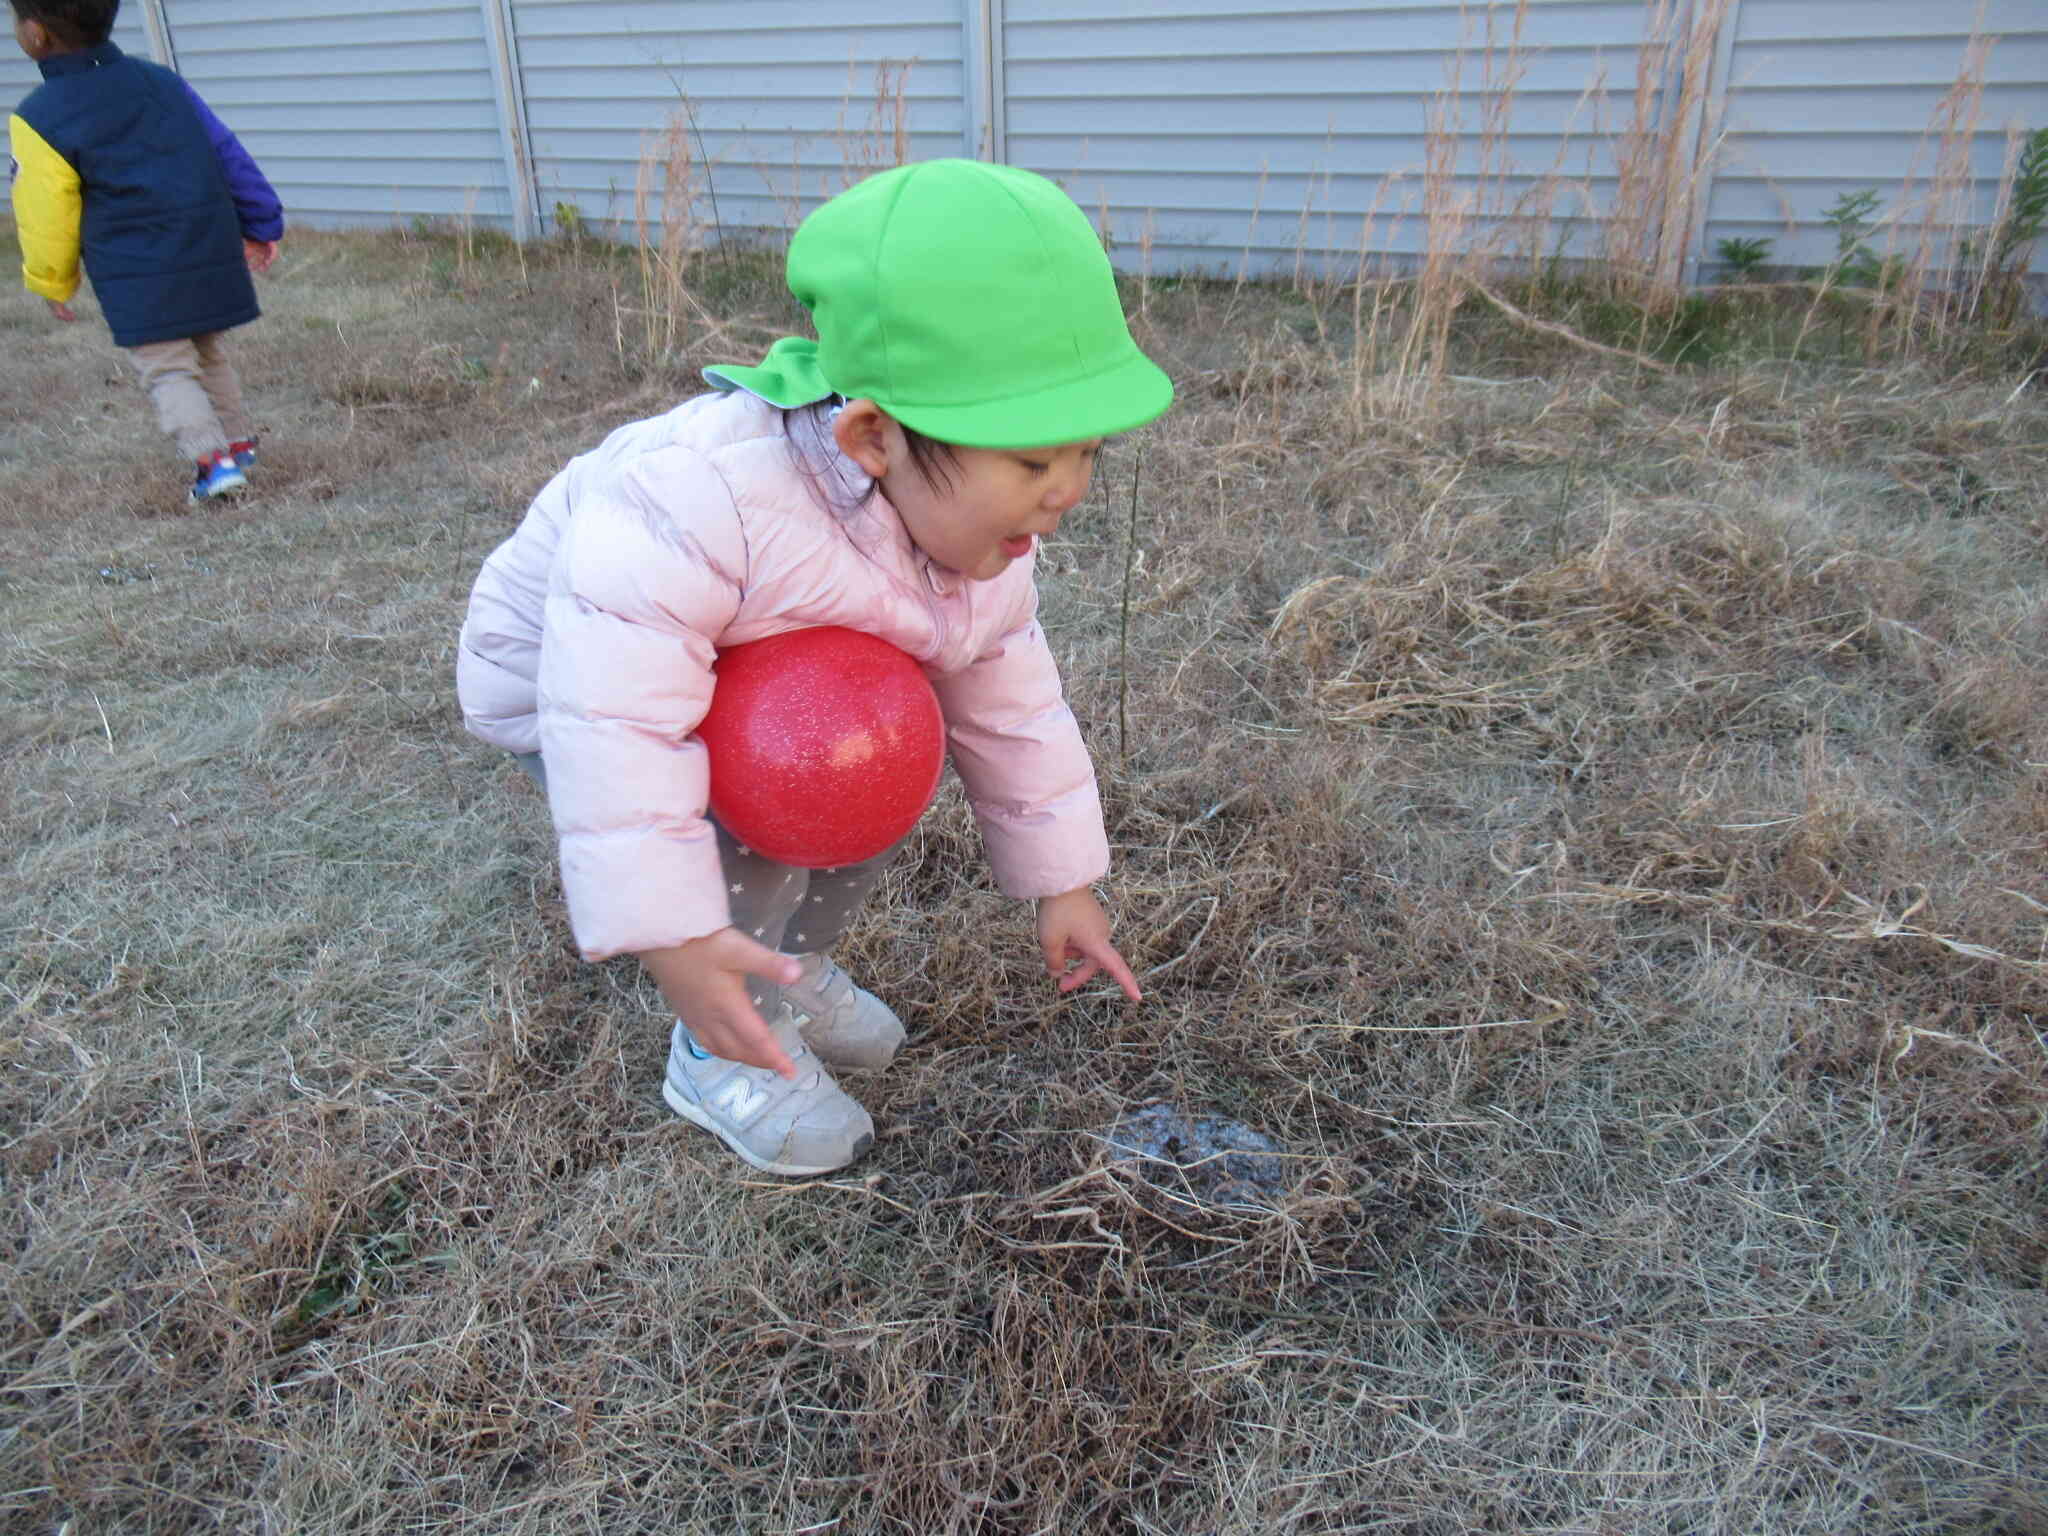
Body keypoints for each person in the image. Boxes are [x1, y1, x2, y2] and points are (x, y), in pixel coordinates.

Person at [457, 158, 1172, 1176]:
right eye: (1027, 461)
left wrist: (1064, 883)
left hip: (770, 687)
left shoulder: (985, 548)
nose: (1065, 492)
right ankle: (720, 1044)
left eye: (1084, 452)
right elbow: (615, 722)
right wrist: (676, 936)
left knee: (871, 760)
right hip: (567, 678)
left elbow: (1012, 705)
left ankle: (790, 964)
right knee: (762, 815)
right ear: (872, 436)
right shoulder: (700, 498)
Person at [9, 0, 283, 502]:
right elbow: (225, 150)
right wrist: (261, 219)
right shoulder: (163, 83)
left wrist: (52, 280)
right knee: (207, 352)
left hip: (138, 270)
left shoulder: (39, 117)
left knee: (166, 367)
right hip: (206, 247)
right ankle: (239, 443)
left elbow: (46, 212)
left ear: (36, 35)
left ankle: (212, 463)